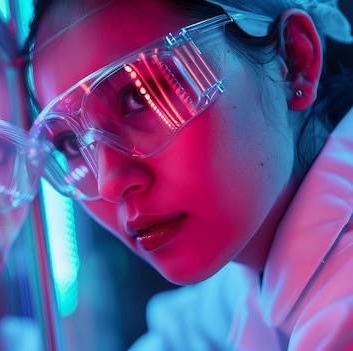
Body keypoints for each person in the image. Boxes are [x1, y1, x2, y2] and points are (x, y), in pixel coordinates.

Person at [25, 0, 353, 349]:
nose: (109, 183)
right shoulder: (255, 267)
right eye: (71, 143)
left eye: (140, 96)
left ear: (294, 61)